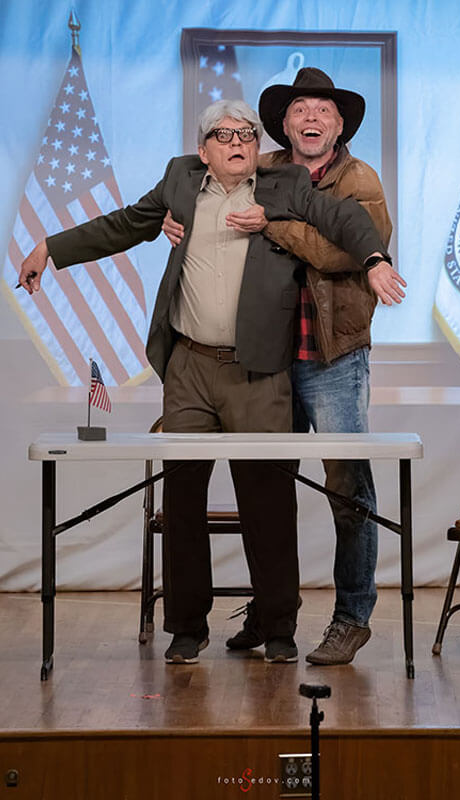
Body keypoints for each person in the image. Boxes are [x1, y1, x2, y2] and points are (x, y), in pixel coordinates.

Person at [19, 98, 393, 666]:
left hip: (258, 369)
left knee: (268, 499)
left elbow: (344, 221)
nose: (237, 143)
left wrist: (374, 260)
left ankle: (279, 627)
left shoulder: (284, 186)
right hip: (190, 367)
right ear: (202, 149)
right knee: (183, 495)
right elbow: (123, 224)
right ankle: (186, 627)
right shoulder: (180, 183)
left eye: (246, 134)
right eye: (223, 135)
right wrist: (50, 248)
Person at [163, 69, 406, 667]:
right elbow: (198, 188)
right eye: (301, 109)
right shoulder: (264, 167)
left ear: (339, 126)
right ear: (284, 124)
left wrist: (272, 224)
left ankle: (351, 618)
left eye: (323, 109)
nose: (311, 118)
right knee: (269, 492)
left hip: (330, 356)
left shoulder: (360, 180)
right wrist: (176, 217)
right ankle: (272, 615)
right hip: (267, 359)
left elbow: (341, 248)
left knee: (347, 487)